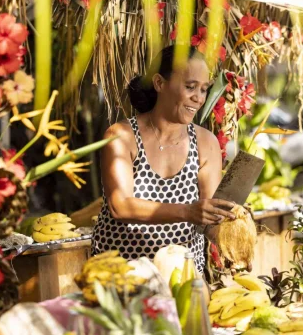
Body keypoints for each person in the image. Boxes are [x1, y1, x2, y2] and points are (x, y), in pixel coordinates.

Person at [92, 45, 236, 272]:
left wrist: (232, 223)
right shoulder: (122, 137)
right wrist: (188, 212)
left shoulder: (205, 143)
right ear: (159, 83)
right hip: (122, 274)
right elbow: (120, 206)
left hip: (182, 276)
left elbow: (209, 222)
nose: (198, 98)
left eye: (203, 89)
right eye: (190, 87)